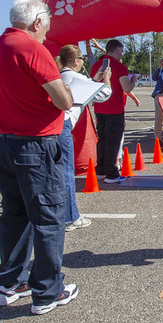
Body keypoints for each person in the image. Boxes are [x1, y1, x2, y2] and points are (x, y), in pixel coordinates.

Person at [0, 0, 77, 315]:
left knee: (14, 216)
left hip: (5, 142)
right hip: (35, 146)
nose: (48, 29)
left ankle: (10, 284)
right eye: (47, 22)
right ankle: (47, 291)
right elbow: (62, 100)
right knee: (49, 218)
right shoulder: (33, 49)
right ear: (37, 21)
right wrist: (70, 93)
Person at [57, 44, 111, 231]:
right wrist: (107, 80)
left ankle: (61, 214)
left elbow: (85, 85)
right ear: (75, 61)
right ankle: (71, 218)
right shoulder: (75, 76)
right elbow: (105, 94)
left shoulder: (61, 75)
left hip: (51, 126)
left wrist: (94, 79)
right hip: (62, 126)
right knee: (66, 172)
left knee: (56, 172)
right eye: (80, 58)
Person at [90, 39, 137, 184]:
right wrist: (133, 80)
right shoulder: (119, 66)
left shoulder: (96, 65)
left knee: (102, 139)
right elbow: (127, 88)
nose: (121, 54)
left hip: (100, 107)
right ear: (116, 50)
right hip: (114, 109)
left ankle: (101, 169)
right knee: (113, 141)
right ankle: (111, 172)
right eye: (121, 51)